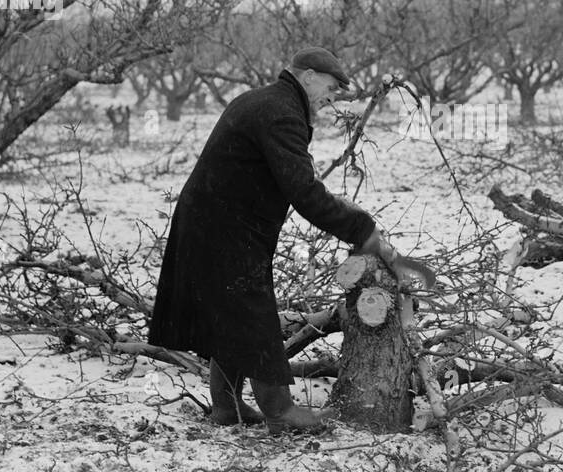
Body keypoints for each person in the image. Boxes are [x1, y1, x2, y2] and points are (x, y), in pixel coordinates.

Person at [148, 47, 399, 433]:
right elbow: (304, 193)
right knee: (252, 313)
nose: (332, 97)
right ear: (309, 76)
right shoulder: (282, 113)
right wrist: (362, 230)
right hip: (225, 226)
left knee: (232, 317)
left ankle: (228, 408)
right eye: (331, 87)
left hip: (216, 220)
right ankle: (280, 411)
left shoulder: (267, 99)